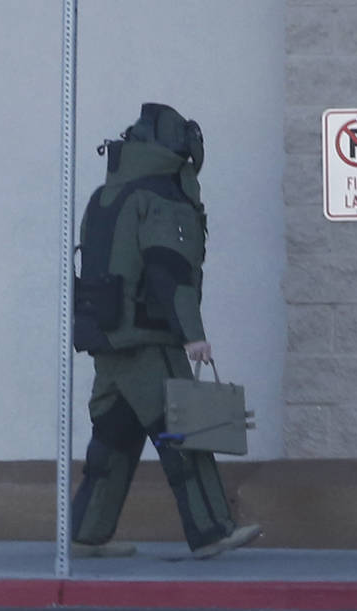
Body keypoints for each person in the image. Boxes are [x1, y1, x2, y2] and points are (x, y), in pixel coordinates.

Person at [70, 103, 260, 559]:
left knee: (112, 440)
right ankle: (213, 531)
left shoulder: (105, 196)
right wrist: (193, 334)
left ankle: (86, 534)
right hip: (149, 339)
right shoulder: (161, 198)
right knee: (186, 431)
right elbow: (169, 270)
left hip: (107, 338)